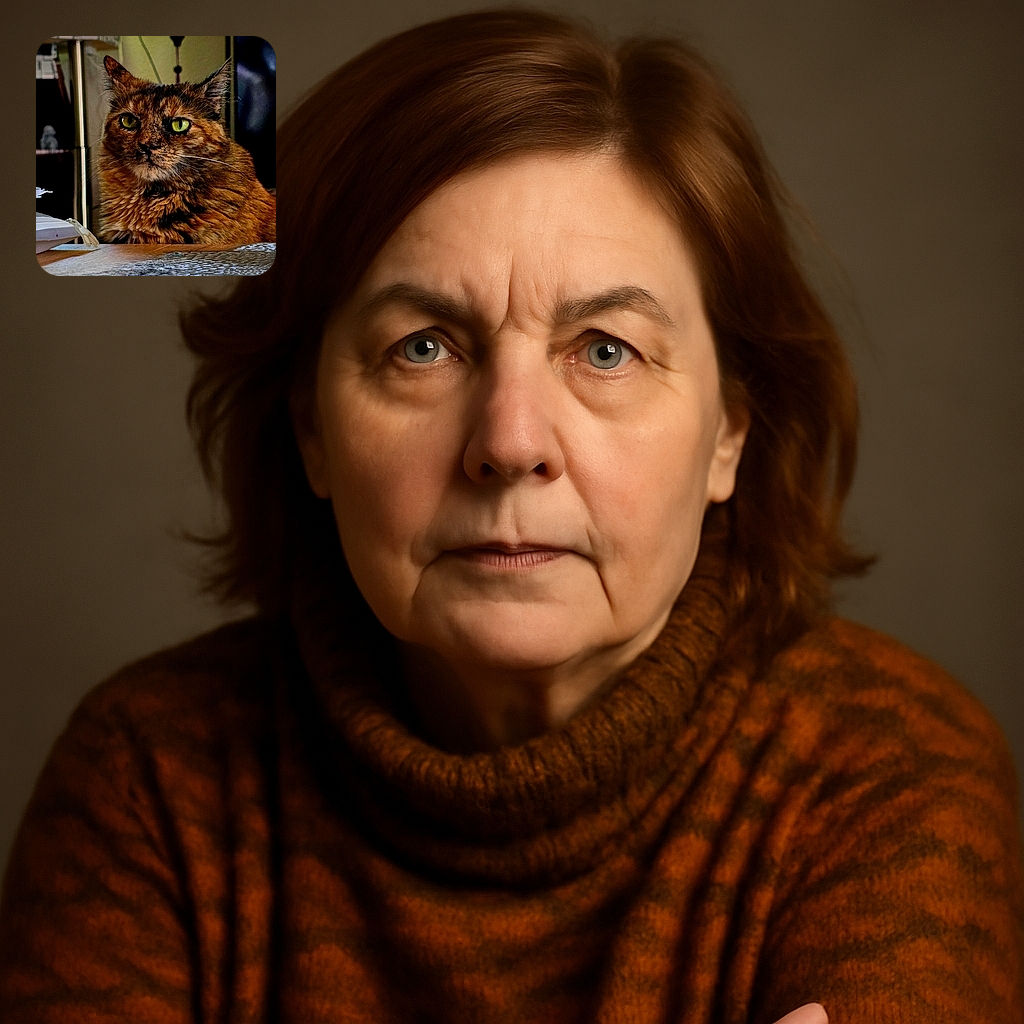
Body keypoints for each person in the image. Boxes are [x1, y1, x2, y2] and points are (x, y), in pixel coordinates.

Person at [1, 9, 1020, 1023]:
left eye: (605, 349)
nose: (511, 439)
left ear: (729, 434)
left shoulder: (891, 774)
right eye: (424, 347)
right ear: (311, 427)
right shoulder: (146, 775)